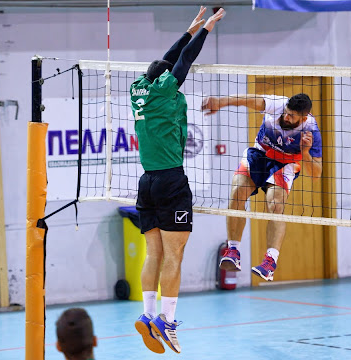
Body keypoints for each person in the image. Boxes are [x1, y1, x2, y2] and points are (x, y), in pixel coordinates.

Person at [130, 6, 225, 355]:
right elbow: (182, 62)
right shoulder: (168, 91)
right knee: (175, 255)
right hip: (171, 182)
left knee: (153, 253)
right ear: (165, 82)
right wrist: (207, 30)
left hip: (147, 182)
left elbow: (168, 60)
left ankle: (148, 313)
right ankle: (166, 323)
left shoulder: (138, 89)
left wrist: (190, 28)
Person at [202, 93, 323, 281]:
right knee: (237, 191)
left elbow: (316, 174)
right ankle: (233, 250)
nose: (286, 117)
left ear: (304, 118)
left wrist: (305, 153)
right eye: (286, 113)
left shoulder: (311, 130)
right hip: (260, 154)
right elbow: (246, 100)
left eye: (292, 116)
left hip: (285, 164)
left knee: (275, 205)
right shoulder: (277, 104)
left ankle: (270, 262)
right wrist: (221, 102)